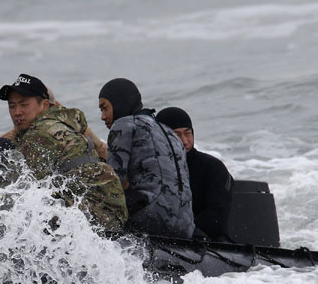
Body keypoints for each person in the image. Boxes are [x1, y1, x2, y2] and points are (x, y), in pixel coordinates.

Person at [0, 74, 127, 233]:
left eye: (24, 104)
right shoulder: (62, 123)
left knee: (21, 204)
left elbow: (20, 186)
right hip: (107, 207)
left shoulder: (40, 134)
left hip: (100, 215)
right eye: (12, 106)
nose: (17, 112)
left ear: (44, 105)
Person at [98, 78, 194, 238]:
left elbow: (114, 182)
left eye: (105, 108)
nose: (103, 116)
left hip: (152, 218)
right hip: (185, 225)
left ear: (119, 103)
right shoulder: (168, 131)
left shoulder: (123, 124)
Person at [156, 106, 233, 240]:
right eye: (176, 135)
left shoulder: (212, 167)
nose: (185, 141)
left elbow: (216, 218)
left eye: (187, 133)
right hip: (164, 240)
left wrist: (183, 230)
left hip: (211, 244)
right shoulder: (153, 169)